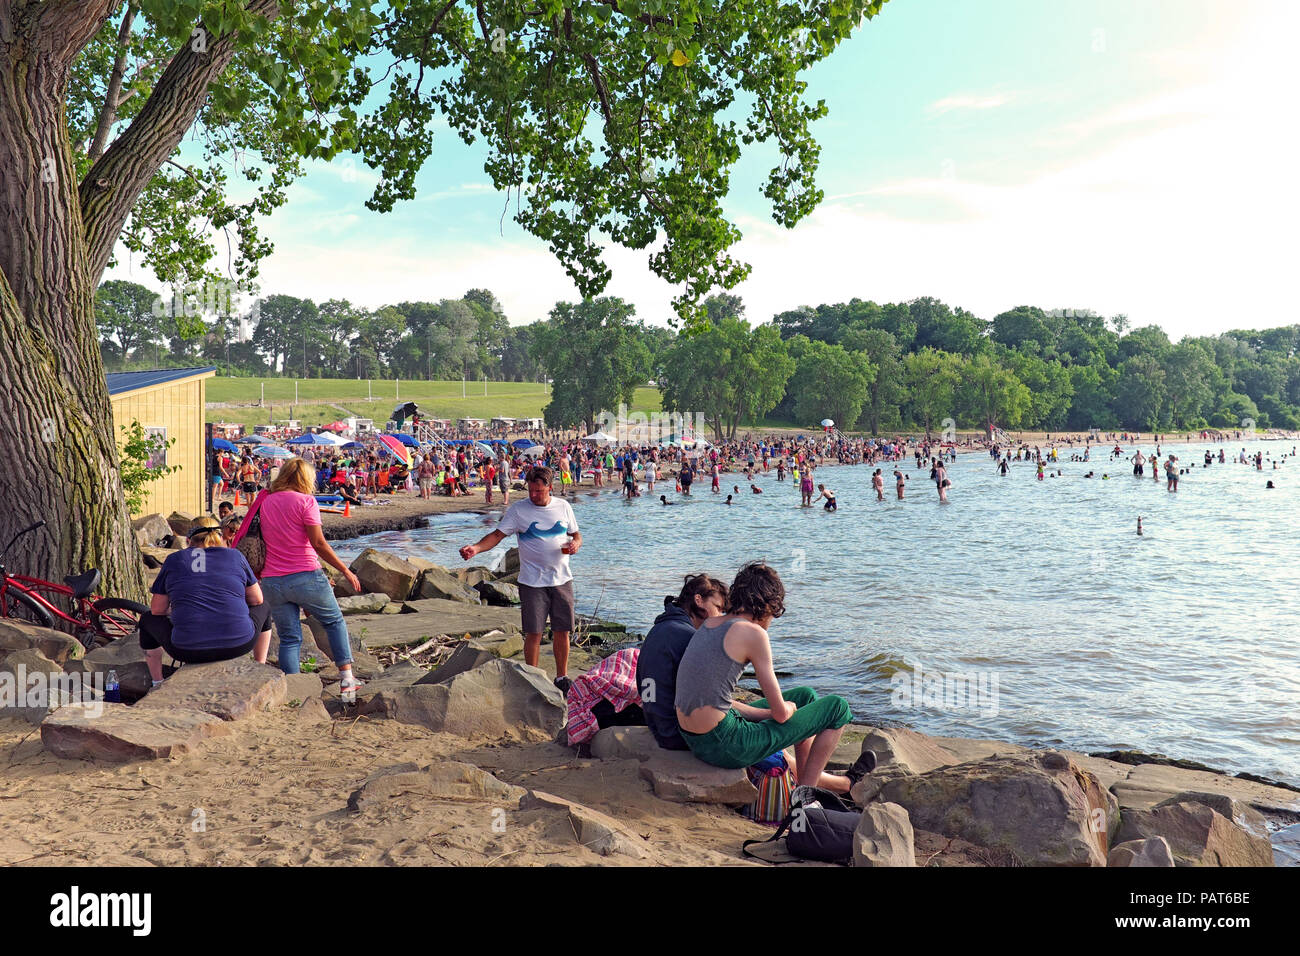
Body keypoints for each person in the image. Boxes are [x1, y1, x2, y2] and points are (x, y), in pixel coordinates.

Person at [674, 563, 876, 792]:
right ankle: (804, 800)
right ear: (768, 605)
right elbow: (781, 714)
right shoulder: (754, 634)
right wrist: (787, 709)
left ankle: (804, 780)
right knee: (838, 708)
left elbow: (715, 699)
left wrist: (771, 712)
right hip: (724, 745)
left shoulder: (710, 623)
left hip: (693, 738)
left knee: (806, 696)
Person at [238, 459, 363, 691]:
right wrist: (345, 569)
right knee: (334, 621)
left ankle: (292, 690)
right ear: (306, 478)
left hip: (273, 581)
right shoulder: (307, 501)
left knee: (289, 637)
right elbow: (318, 543)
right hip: (306, 576)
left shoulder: (265, 501)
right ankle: (347, 679)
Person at [459, 466, 582, 693]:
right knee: (534, 632)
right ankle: (532, 677)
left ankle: (562, 677)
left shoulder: (563, 507)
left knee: (562, 630)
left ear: (550, 487)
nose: (533, 495)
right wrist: (476, 548)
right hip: (532, 581)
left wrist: (576, 544)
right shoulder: (518, 510)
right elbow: (497, 536)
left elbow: (576, 534)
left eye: (538, 491)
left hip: (562, 578)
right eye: (530, 491)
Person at [139, 517, 272, 688]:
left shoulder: (175, 559)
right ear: (220, 536)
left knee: (147, 619)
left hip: (186, 650)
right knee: (265, 607)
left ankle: (157, 681)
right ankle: (259, 666)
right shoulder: (235, 556)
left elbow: (157, 610)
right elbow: (257, 600)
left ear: (188, 539)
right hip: (239, 644)